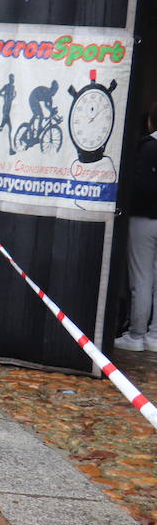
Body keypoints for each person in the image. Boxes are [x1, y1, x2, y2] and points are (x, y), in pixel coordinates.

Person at [116, 103, 157, 353]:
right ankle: (155, 335)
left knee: (141, 277)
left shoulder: (147, 146)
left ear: (150, 121)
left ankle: (137, 334)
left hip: (144, 219)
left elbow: (140, 186)